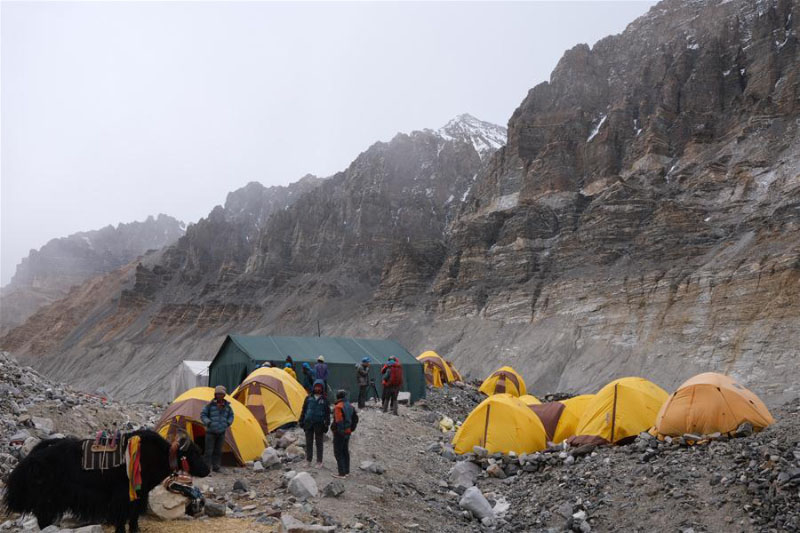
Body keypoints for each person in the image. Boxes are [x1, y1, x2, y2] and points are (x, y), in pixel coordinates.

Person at [200, 385, 234, 472]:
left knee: (218, 451)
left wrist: (227, 423)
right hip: (210, 432)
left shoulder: (227, 406)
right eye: (218, 394)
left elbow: (231, 416)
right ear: (215, 395)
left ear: (224, 395)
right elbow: (203, 414)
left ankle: (216, 467)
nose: (219, 396)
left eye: (221, 394)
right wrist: (208, 422)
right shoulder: (210, 405)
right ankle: (206, 468)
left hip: (221, 432)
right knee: (208, 451)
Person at [299, 380, 330, 468]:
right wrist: (301, 420)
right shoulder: (308, 398)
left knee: (319, 443)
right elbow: (304, 410)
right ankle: (308, 460)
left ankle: (319, 461)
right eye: (316, 386)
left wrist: (327, 424)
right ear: (313, 387)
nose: (317, 388)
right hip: (308, 423)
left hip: (319, 424)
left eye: (319, 387)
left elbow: (327, 413)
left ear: (322, 388)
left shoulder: (325, 400)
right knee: (308, 442)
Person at [331, 389, 356, 478]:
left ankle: (341, 473)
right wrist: (351, 429)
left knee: (338, 452)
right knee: (345, 451)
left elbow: (339, 421)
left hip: (340, 433)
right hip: (348, 432)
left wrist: (339, 431)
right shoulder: (350, 406)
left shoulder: (338, 407)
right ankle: (347, 471)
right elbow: (355, 419)